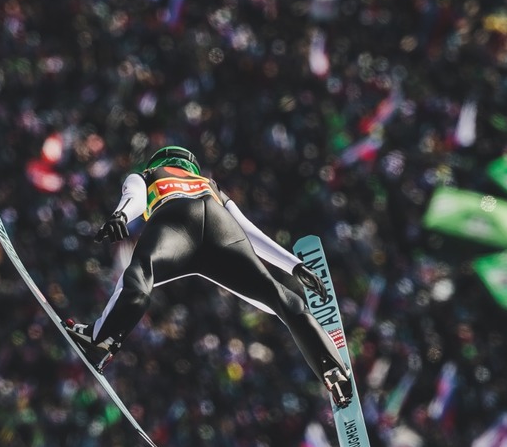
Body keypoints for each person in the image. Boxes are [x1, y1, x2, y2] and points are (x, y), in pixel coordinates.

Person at [64, 145, 353, 407]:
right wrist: (294, 265)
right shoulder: (208, 183)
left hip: (175, 220)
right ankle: (332, 368)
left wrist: (121, 215)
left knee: (140, 275)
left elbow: (134, 195)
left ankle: (101, 338)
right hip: (220, 225)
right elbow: (246, 228)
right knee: (277, 295)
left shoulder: (150, 174)